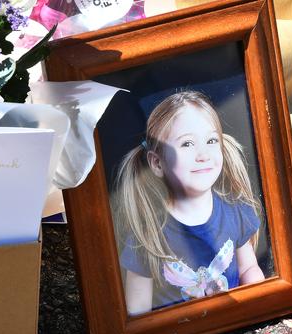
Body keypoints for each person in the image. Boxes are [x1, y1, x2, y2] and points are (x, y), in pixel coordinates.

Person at [113, 90, 265, 315]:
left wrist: (260, 301)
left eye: (211, 140)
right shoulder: (147, 236)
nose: (203, 154)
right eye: (187, 144)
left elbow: (249, 268)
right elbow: (137, 311)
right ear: (157, 163)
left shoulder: (236, 210)